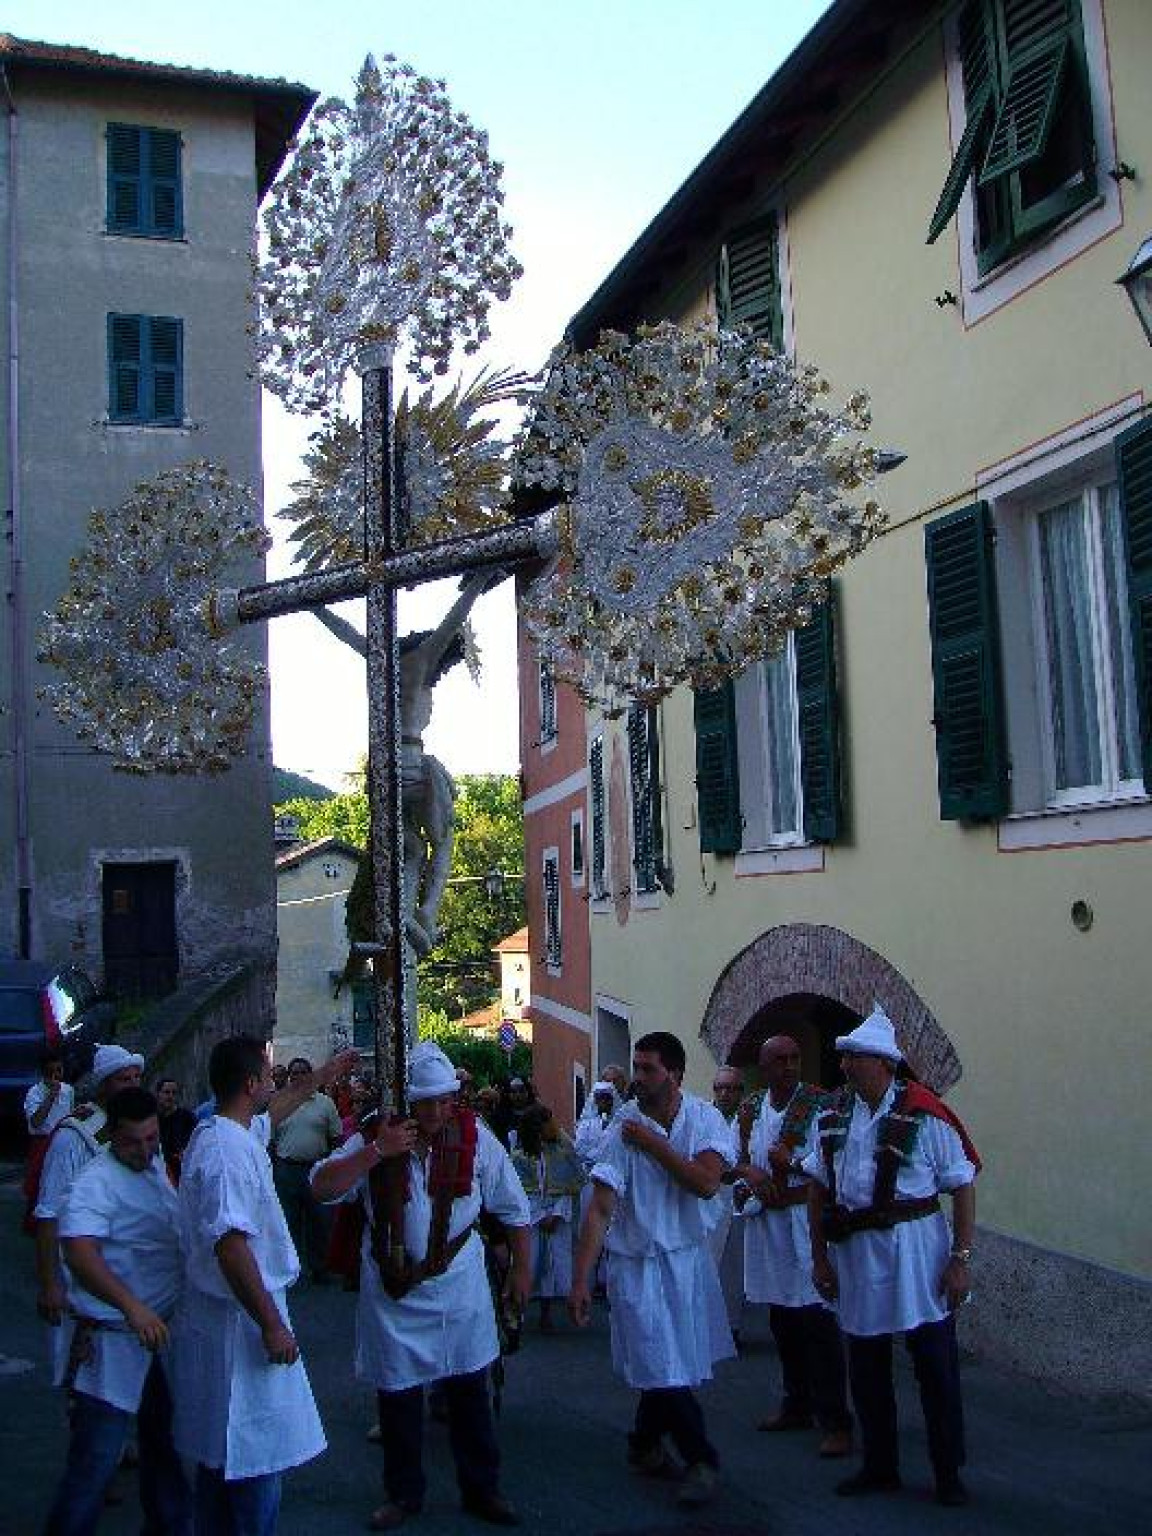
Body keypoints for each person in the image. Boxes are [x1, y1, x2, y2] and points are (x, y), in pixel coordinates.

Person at [310, 1040, 533, 1531]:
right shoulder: (376, 1135)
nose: (435, 1110)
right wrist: (376, 1152)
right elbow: (322, 1188)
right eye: (425, 1101)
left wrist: (521, 1271)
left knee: (471, 1393)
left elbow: (515, 1209)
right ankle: (403, 1494)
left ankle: (482, 1489)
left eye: (443, 1100)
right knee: (398, 1398)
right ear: (409, 1102)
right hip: (395, 1292)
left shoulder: (478, 1138)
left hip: (459, 1285)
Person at [803, 1006, 979, 1508]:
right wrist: (819, 1258)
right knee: (866, 1365)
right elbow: (818, 1186)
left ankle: (948, 1471)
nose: (845, 1065)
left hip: (917, 1254)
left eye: (854, 1057)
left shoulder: (924, 1114)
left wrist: (961, 1258)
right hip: (858, 1256)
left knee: (934, 1365)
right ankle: (880, 1465)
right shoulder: (835, 1116)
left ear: (882, 1062)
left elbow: (961, 1183)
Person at [568, 1032, 736, 1508]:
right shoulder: (624, 1125)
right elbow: (601, 1208)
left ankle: (643, 1444)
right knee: (660, 1360)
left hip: (685, 1261)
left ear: (675, 1075)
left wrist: (653, 1144)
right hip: (636, 1265)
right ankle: (702, 1458)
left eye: (648, 1070)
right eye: (636, 1068)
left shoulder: (702, 1118)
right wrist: (581, 1278)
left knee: (669, 1363)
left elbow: (706, 1183)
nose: (637, 1078)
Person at [174, 1034, 326, 1534]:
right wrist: (271, 1324)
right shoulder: (225, 1152)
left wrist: (321, 1078)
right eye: (267, 1073)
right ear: (250, 1083)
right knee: (252, 1460)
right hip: (238, 1327)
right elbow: (231, 1245)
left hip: (233, 1321)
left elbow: (272, 1115)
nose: (273, 1079)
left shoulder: (226, 1132)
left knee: (227, 1461)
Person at [42, 1086, 191, 1536]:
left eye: (151, 1139)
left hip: (156, 1333)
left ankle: (168, 1526)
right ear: (111, 1135)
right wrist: (132, 1307)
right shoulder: (95, 1183)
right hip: (113, 1337)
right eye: (133, 1141)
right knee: (96, 1459)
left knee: (162, 1441)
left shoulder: (151, 1165)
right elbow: (80, 1252)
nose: (145, 1149)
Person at [736, 1036, 852, 1456]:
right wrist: (749, 1172)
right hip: (768, 1228)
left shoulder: (820, 1106)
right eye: (779, 1060)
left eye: (795, 1058)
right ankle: (796, 1402)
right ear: (763, 1067)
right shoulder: (750, 1109)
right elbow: (732, 1157)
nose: (789, 1066)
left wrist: (795, 1166)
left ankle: (836, 1418)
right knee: (782, 1319)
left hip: (804, 1224)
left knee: (818, 1322)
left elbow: (836, 1164)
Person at [35, 1044, 144, 1331]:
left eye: (137, 1078)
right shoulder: (74, 1137)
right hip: (81, 1279)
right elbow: (48, 1213)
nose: (133, 1085)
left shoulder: (141, 1132)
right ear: (104, 1086)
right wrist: (51, 1284)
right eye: (124, 1079)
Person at [509, 1104, 584, 1332]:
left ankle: (546, 1312)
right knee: (527, 1263)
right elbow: (518, 1192)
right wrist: (539, 1215)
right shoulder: (519, 1157)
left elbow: (572, 1187)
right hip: (532, 1218)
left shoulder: (563, 1152)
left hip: (556, 1217)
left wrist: (556, 1214)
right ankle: (515, 1310)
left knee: (551, 1265)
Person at [271, 1057, 342, 1283]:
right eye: (294, 1073)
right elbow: (269, 1139)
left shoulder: (325, 1103)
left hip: (315, 1168)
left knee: (319, 1221)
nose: (298, 1076)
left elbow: (336, 1137)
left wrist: (329, 1165)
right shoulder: (278, 1102)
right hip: (286, 1169)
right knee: (287, 1222)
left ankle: (319, 1267)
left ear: (310, 1075)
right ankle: (290, 1271)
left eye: (303, 1072)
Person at [706, 1066, 746, 1348]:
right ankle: (705, 1324)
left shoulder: (748, 1120)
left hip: (740, 1199)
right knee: (707, 1263)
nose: (724, 1094)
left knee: (733, 1267)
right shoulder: (702, 1118)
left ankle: (731, 1325)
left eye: (731, 1088)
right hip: (709, 1199)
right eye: (720, 1088)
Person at [23, 1049, 75, 1230]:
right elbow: (36, 1122)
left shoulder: (69, 1090)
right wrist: (49, 1098)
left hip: (62, 1139)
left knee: (63, 1180)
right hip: (42, 1142)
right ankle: (35, 1224)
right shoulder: (34, 1093)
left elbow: (68, 1115)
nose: (55, 1076)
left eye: (59, 1071)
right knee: (38, 1182)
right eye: (50, 1072)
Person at [155, 1078, 197, 1173]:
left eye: (174, 1093)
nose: (170, 1096)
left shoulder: (188, 1118)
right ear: (158, 1094)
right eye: (166, 1092)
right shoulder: (152, 1119)